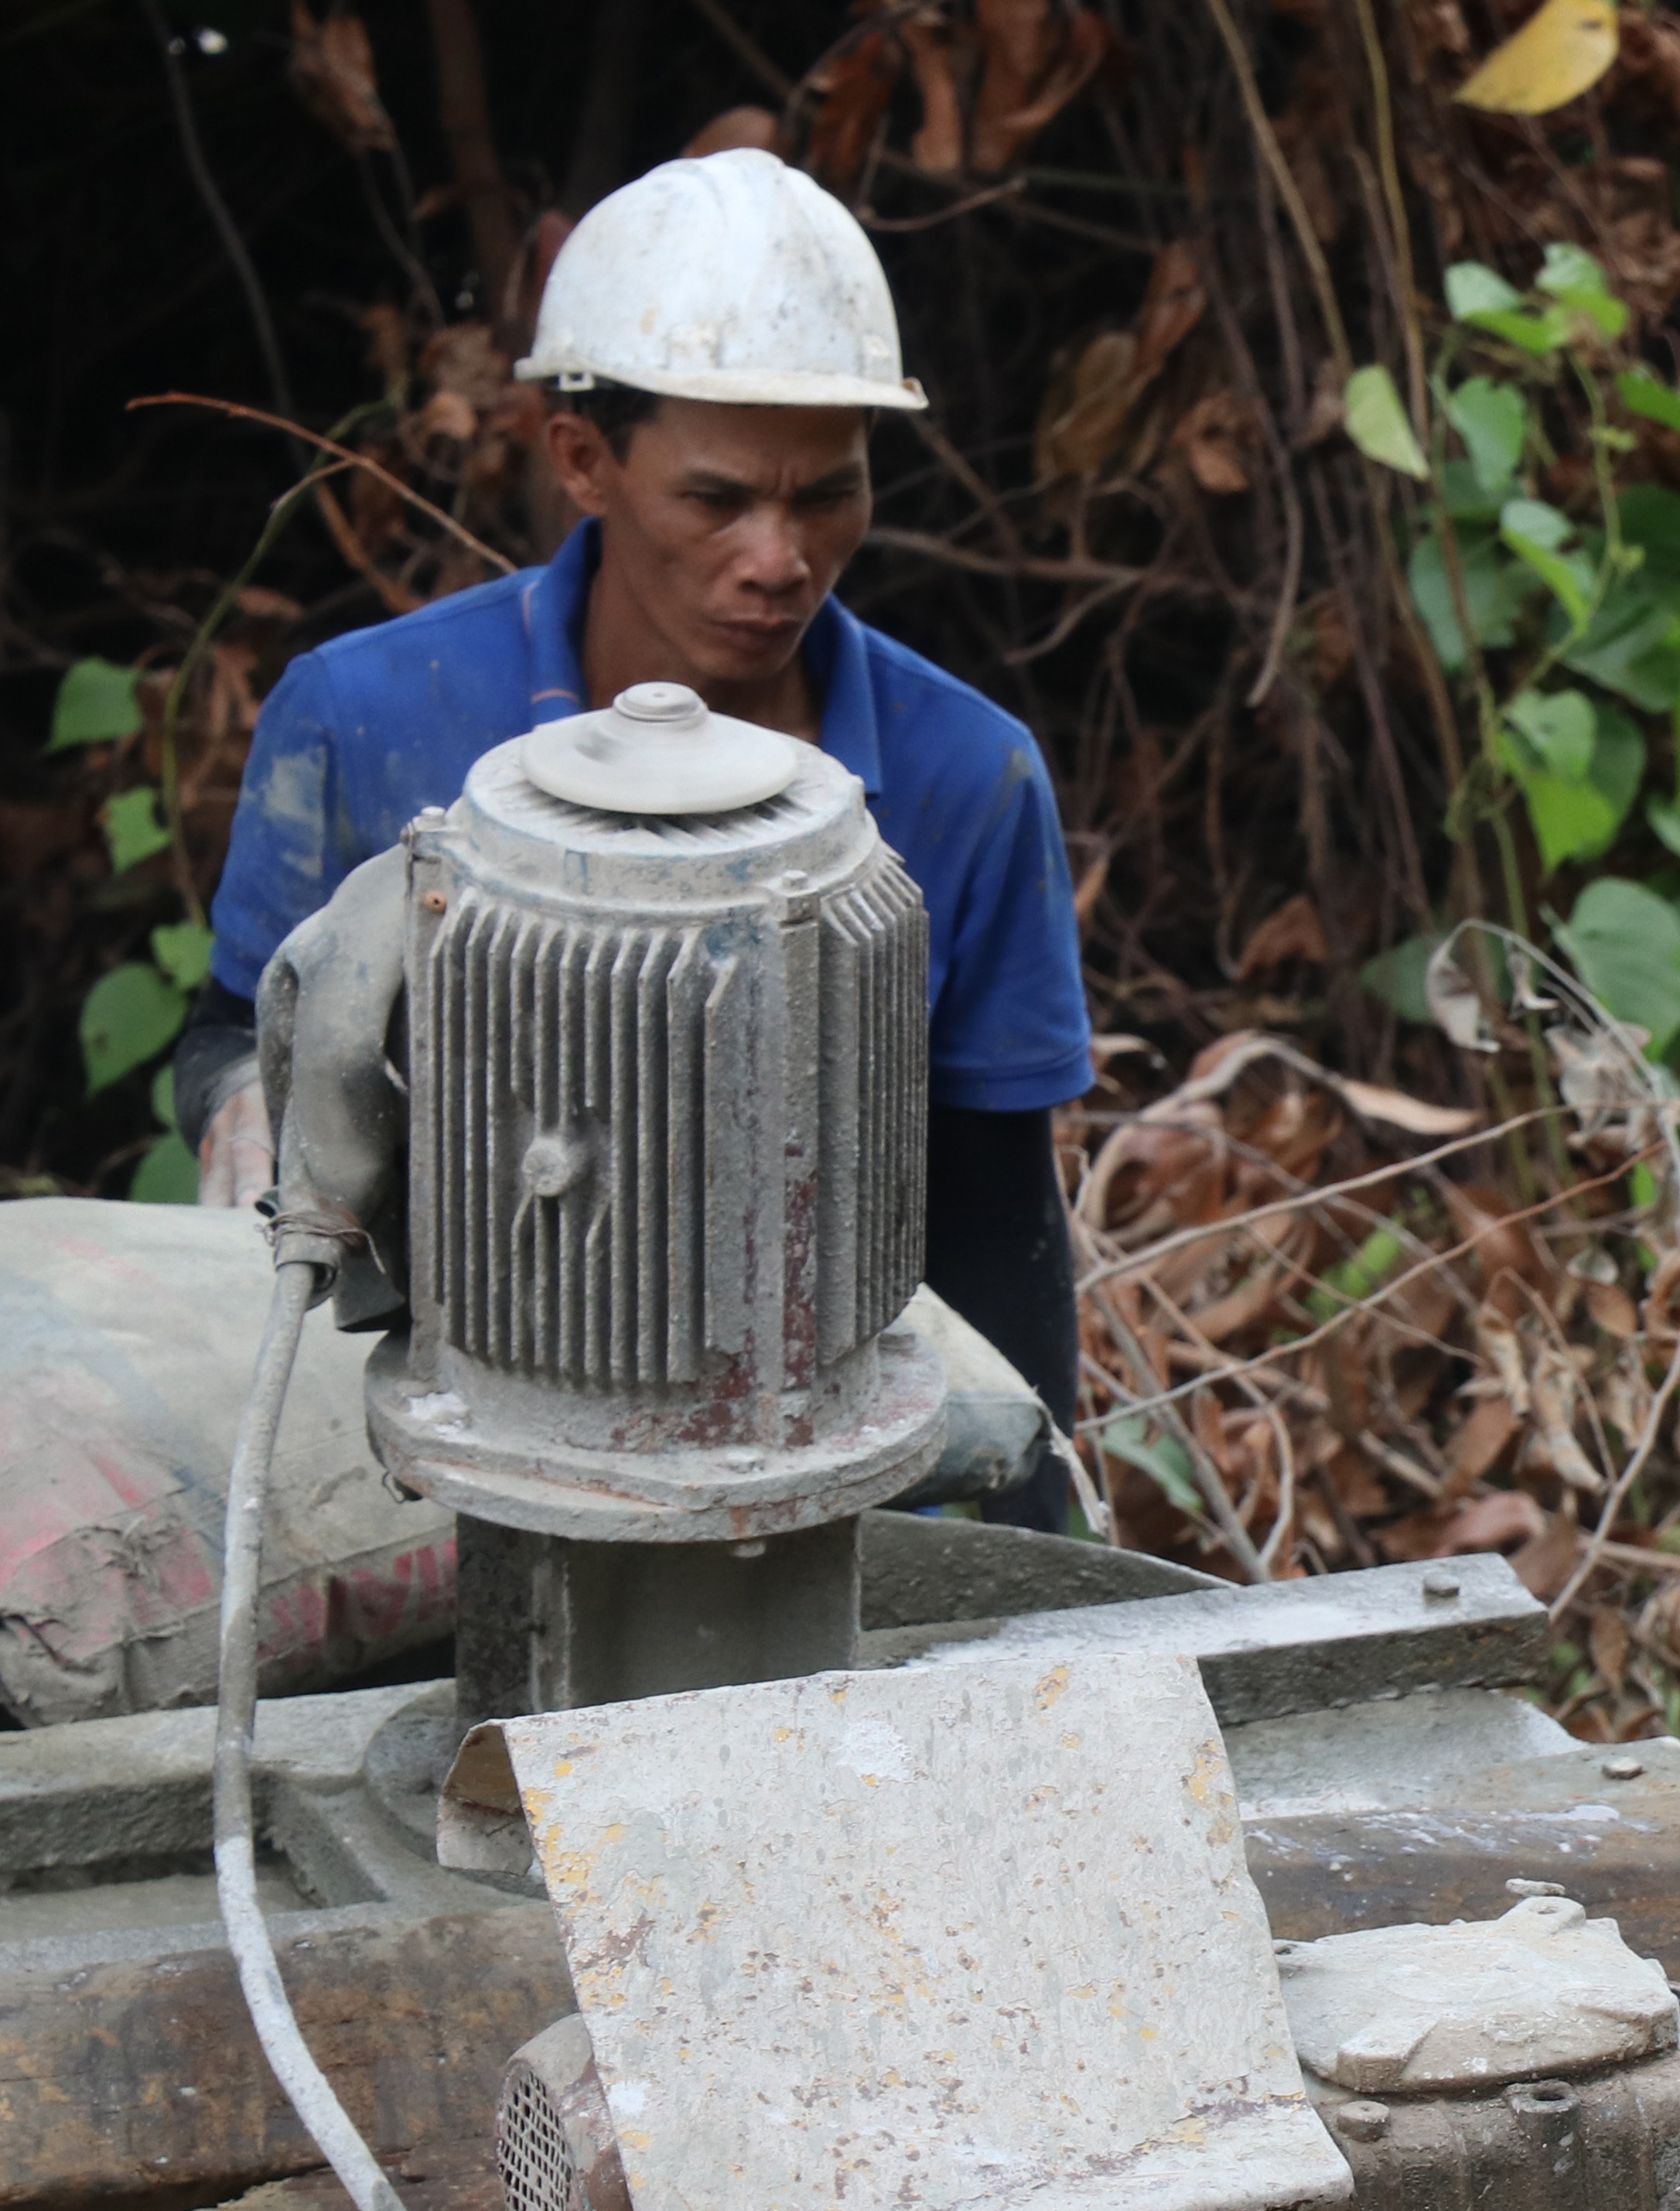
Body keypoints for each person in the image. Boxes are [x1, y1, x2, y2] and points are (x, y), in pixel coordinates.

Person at [172, 149, 1088, 1521]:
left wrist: (1026, 1547)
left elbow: (991, 1209)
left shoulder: (968, 779)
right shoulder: (367, 718)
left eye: (827, 492)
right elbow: (236, 1029)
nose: (779, 556)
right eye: (717, 499)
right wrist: (256, 1108)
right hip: (425, 1440)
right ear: (583, 459)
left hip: (800, 1457)